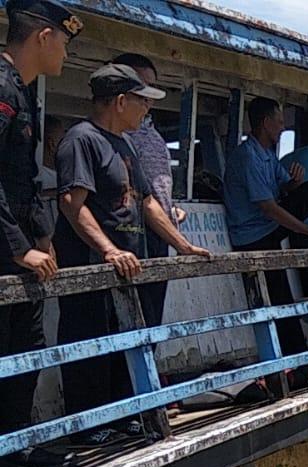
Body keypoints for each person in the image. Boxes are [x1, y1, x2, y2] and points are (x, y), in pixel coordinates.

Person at [54, 64, 209, 443]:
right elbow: (73, 203)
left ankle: (125, 415)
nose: (145, 110)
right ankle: (87, 427)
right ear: (121, 101)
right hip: (93, 266)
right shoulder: (81, 140)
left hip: (130, 265)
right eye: (141, 101)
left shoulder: (124, 144)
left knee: (129, 342)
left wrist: (183, 245)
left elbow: (149, 203)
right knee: (90, 342)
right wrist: (108, 249)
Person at [0, 0, 78, 467]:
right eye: (65, 44)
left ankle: (10, 453)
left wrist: (44, 236)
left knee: (24, 350)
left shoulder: (22, 92)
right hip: (7, 254)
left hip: (23, 253)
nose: (66, 56)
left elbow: (23, 180)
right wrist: (18, 245)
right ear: (43, 37)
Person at [223, 96, 308, 358]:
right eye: (279, 123)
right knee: (279, 298)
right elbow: (268, 206)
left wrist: (293, 184)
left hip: (266, 227)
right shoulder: (248, 157)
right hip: (253, 235)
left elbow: (284, 188)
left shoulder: (266, 154)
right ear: (266, 123)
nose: (281, 128)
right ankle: (296, 362)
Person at [113, 53, 179, 327]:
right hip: (132, 235)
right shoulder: (118, 134)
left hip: (159, 233)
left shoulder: (150, 133)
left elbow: (155, 187)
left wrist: (171, 208)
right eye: (142, 87)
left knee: (153, 317)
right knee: (131, 319)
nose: (148, 97)